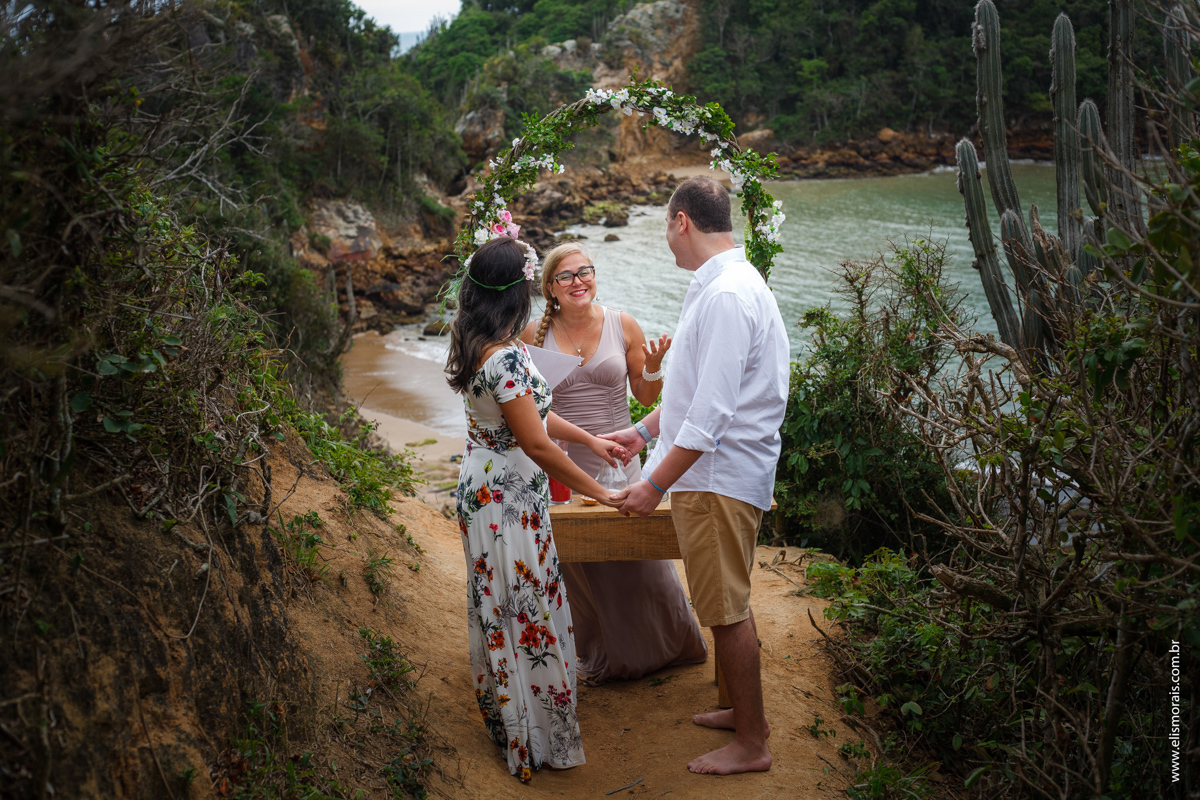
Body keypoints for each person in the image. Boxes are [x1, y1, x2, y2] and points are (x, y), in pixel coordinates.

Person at [607, 176, 789, 775]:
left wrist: (653, 484)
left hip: (717, 478)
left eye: (665, 227)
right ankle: (742, 713)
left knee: (724, 610)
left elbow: (711, 418)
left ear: (681, 221)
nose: (666, 240)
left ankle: (752, 744)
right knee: (728, 597)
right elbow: (695, 389)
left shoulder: (727, 295)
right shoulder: (722, 284)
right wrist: (644, 430)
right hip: (712, 473)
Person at [445, 235, 629, 783]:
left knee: (518, 601)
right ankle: (530, 736)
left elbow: (539, 417)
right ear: (519, 290)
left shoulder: (496, 340)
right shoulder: (500, 357)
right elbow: (537, 444)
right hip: (502, 501)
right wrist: (601, 492)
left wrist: (592, 441)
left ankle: (526, 721)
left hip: (506, 493)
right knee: (519, 606)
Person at [518, 242, 707, 685]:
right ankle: (605, 654)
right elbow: (532, 408)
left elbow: (644, 396)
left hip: (622, 456)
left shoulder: (623, 324)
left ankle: (670, 646)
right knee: (586, 565)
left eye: (585, 271)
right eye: (566, 275)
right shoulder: (532, 336)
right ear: (550, 287)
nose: (578, 281)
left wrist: (656, 367)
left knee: (639, 561)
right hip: (566, 462)